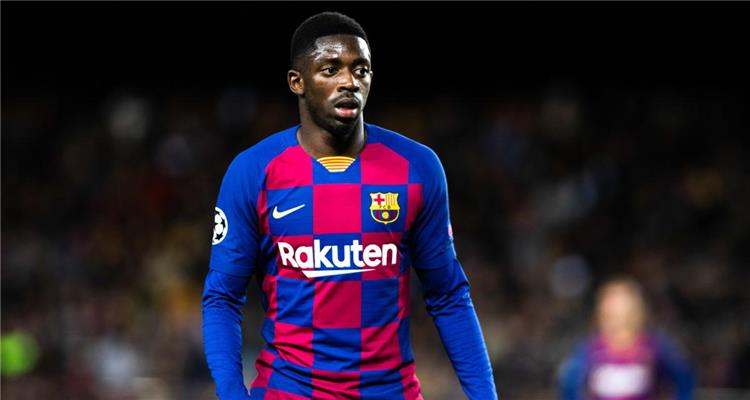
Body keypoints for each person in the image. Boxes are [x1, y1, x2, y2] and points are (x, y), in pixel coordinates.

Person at [202, 11, 498, 400]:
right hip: (289, 392)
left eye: (361, 70)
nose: (349, 82)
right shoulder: (254, 172)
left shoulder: (417, 168)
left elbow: (448, 296)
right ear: (297, 82)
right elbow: (223, 297)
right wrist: (231, 394)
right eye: (331, 69)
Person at [558, 277, 695, 400]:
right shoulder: (590, 348)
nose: (617, 310)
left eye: (623, 303)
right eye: (611, 303)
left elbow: (684, 378)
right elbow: (568, 384)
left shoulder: (653, 346)